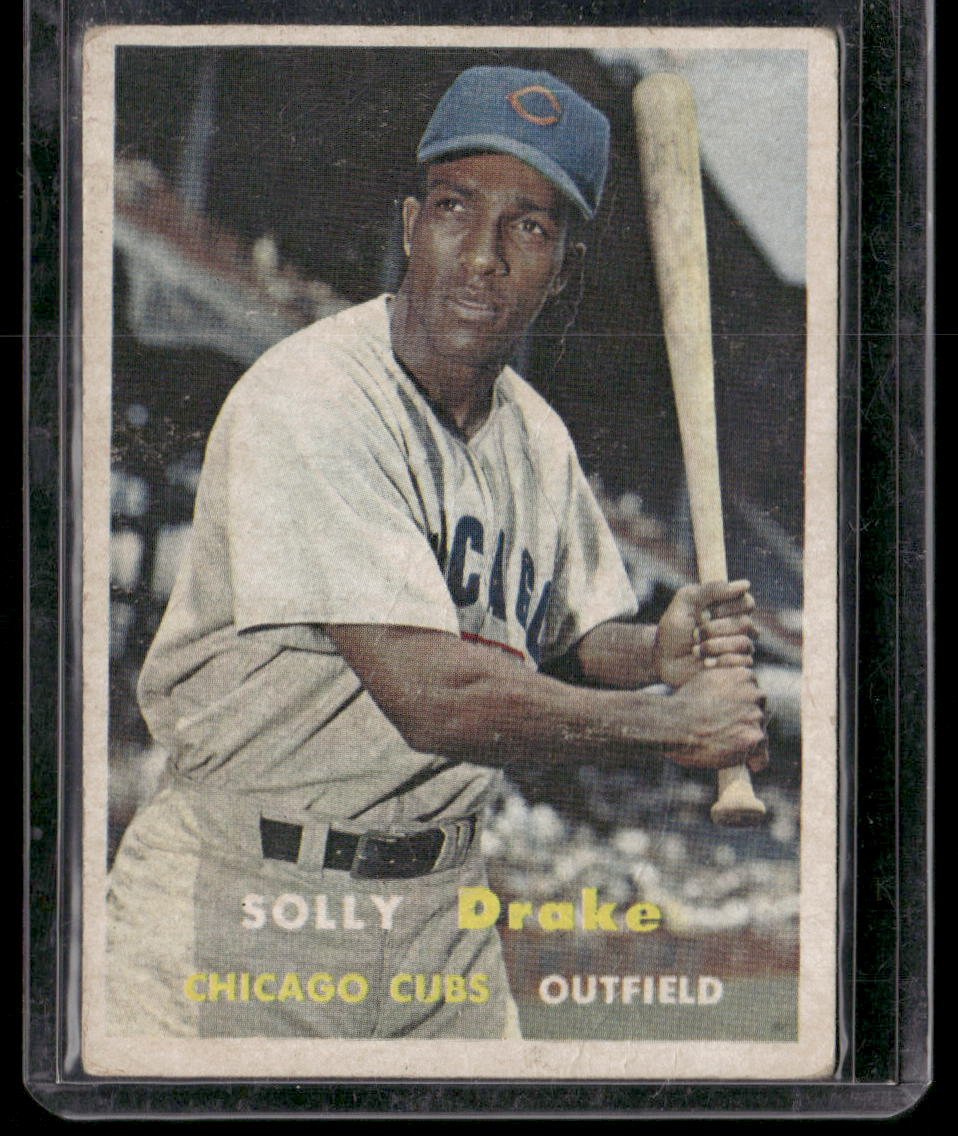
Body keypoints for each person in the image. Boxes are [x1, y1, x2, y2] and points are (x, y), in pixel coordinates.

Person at [106, 65, 767, 1040]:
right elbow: (433, 695)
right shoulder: (316, 398)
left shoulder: (536, 441)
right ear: (413, 225)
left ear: (561, 269)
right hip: (248, 894)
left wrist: (657, 650)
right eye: (458, 208)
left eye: (528, 226)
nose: (484, 256)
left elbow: (568, 638)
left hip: (440, 910)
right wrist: (668, 724)